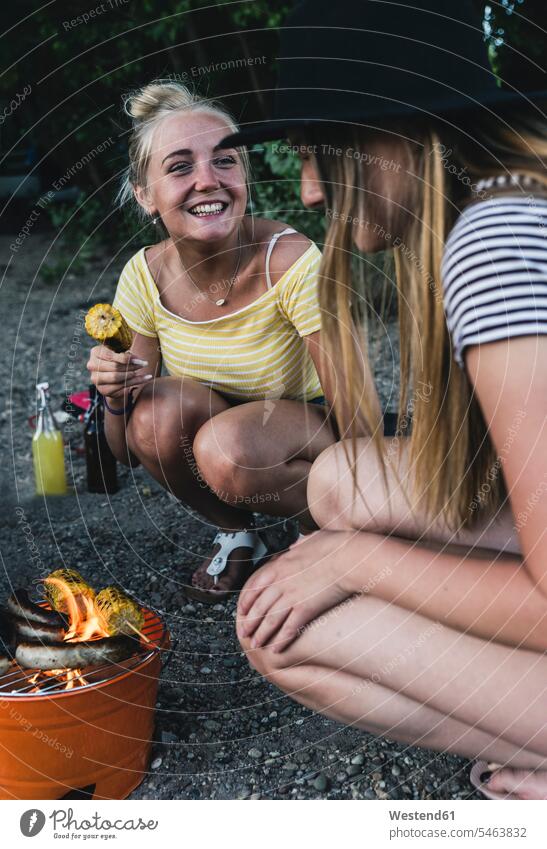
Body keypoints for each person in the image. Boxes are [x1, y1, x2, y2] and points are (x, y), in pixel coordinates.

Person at [223, 0, 547, 799]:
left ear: (394, 135)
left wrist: (358, 562)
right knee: (339, 479)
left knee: (289, 631)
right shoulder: (517, 194)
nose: (304, 191)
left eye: (314, 155)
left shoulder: (493, 245)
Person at [86, 80, 339, 602]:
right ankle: (241, 530)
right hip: (218, 436)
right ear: (145, 196)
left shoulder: (290, 260)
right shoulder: (143, 275)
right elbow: (126, 451)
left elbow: (357, 409)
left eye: (225, 160)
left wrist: (365, 504)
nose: (208, 180)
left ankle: (326, 529)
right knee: (155, 416)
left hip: (308, 431)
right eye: (179, 167)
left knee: (227, 449)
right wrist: (113, 398)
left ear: (244, 174)